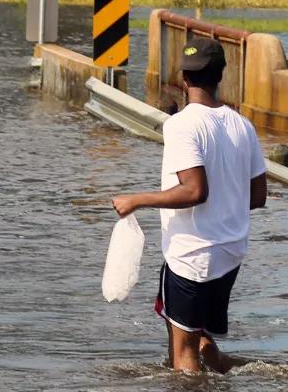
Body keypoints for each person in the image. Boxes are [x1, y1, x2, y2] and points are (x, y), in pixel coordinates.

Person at [111, 39, 267, 374]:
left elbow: (194, 191)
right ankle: (229, 373)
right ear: (221, 75)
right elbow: (257, 197)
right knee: (200, 339)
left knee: (182, 356)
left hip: (192, 256)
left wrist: (136, 199)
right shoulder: (243, 125)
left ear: (183, 77)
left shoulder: (181, 125)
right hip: (230, 252)